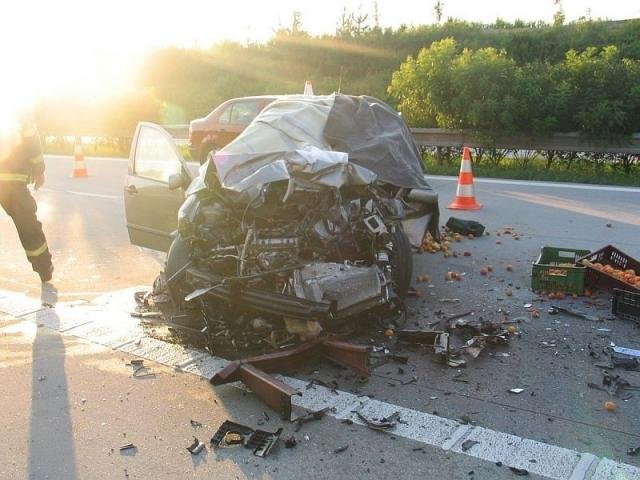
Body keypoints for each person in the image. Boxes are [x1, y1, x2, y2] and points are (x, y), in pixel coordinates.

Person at [0, 114, 53, 283]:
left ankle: (44, 269)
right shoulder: (19, 110)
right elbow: (32, 141)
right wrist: (39, 170)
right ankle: (44, 268)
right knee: (28, 227)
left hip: (12, 182)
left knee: (28, 227)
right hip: (12, 183)